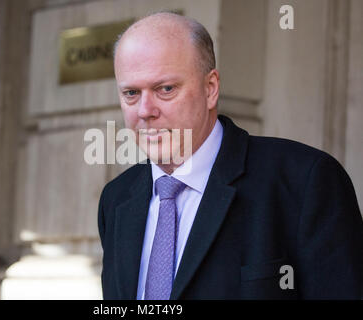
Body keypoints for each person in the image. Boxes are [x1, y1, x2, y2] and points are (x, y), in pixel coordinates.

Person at [97, 12, 363, 300]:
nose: (145, 110)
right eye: (131, 93)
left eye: (165, 89)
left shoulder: (306, 181)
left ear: (210, 89)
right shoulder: (116, 199)